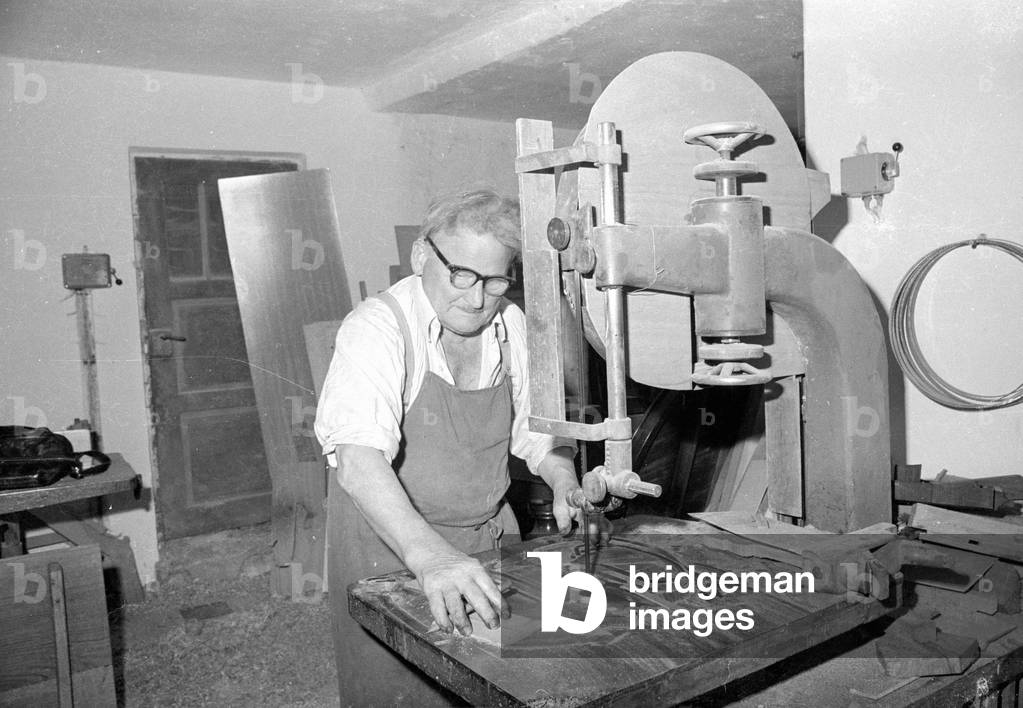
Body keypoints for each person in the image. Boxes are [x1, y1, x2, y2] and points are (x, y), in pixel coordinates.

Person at [314, 189, 582, 706]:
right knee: (402, 691)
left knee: (496, 684)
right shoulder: (377, 328)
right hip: (391, 544)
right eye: (462, 275)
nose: (477, 299)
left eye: (495, 281)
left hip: (485, 536)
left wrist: (563, 479)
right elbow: (358, 461)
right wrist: (432, 557)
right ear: (421, 256)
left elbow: (539, 434)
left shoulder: (510, 326)